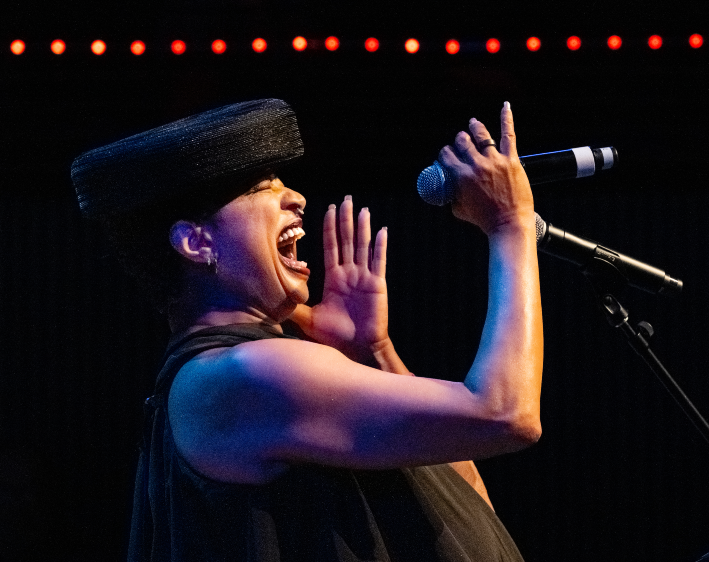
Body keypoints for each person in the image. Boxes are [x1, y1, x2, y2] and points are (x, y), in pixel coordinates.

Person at [72, 98, 543, 561]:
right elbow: (505, 415)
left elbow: (468, 501)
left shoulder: (253, 368)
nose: (295, 198)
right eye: (262, 187)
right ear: (197, 242)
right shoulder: (240, 373)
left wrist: (372, 351)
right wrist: (509, 224)